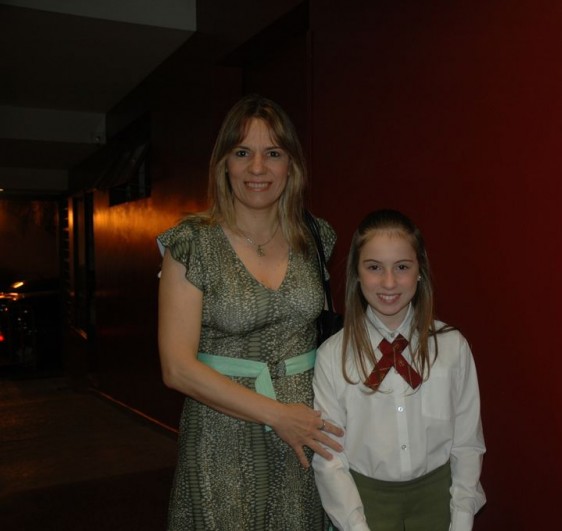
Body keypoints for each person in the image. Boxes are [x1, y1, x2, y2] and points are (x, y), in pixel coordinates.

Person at [157, 94, 344, 530]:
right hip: (221, 439)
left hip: (305, 436)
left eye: (273, 153)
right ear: (224, 163)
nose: (257, 168)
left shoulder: (316, 237)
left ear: (291, 165)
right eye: (242, 153)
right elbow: (176, 368)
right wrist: (278, 414)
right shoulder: (192, 243)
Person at [312, 209, 486, 531]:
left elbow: (467, 444)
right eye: (374, 267)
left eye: (402, 267)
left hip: (440, 505)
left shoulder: (452, 348)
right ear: (356, 273)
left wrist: (461, 520)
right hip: (364, 509)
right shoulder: (332, 357)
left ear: (420, 271)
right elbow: (330, 458)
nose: (389, 282)